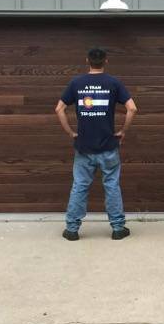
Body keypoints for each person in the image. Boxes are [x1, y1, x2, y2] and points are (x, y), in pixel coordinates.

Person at [55, 48, 138, 241]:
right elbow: (132, 108)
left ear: (87, 61)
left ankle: (72, 230)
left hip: (84, 146)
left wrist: (70, 132)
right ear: (105, 62)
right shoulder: (113, 83)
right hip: (108, 146)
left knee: (80, 186)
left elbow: (59, 109)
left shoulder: (77, 83)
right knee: (112, 186)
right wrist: (123, 131)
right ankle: (118, 229)